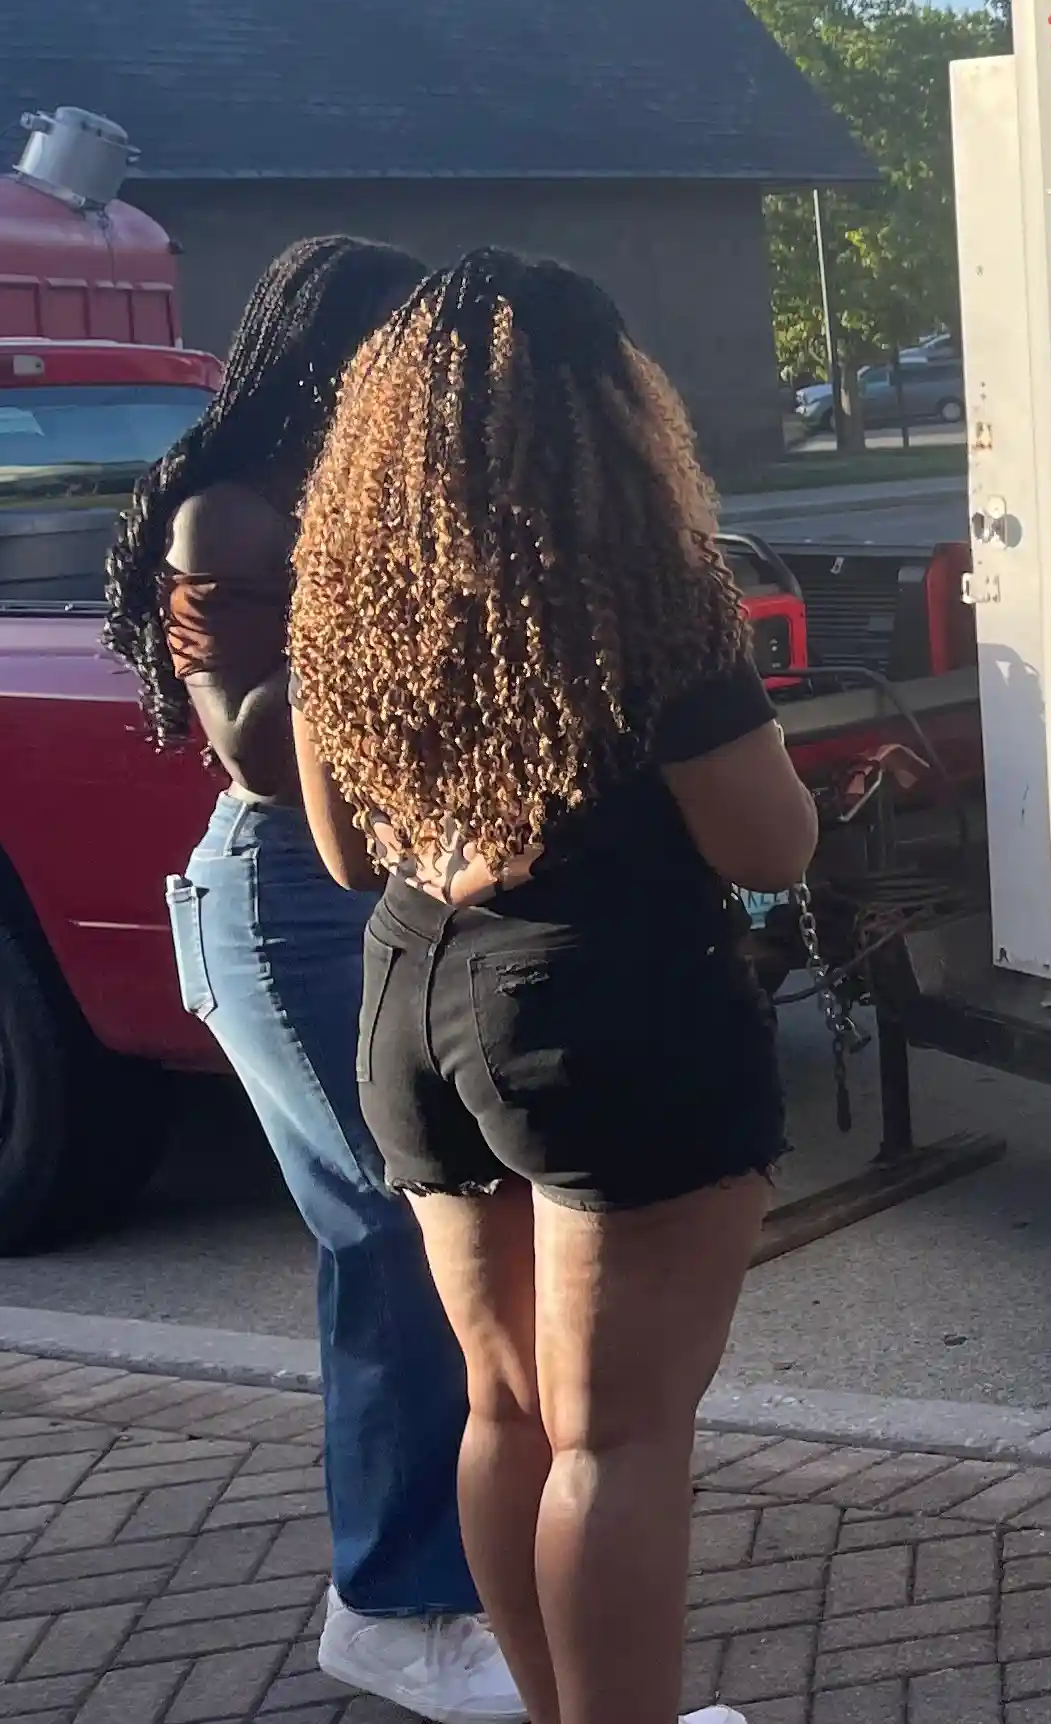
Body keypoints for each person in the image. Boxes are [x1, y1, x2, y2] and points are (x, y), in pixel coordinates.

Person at [286, 250, 819, 1724]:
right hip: (609, 1012)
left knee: (505, 1407)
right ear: (610, 412)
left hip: (412, 988)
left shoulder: (346, 598)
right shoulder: (655, 601)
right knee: (622, 1442)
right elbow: (765, 838)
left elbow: (340, 850)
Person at [102, 238, 525, 1724]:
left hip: (399, 882)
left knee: (470, 1240)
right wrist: (368, 565)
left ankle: (478, 1576)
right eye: (413, 361)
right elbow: (260, 752)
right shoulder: (233, 513)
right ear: (339, 364)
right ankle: (399, 1606)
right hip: (283, 907)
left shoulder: (405, 506)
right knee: (399, 1242)